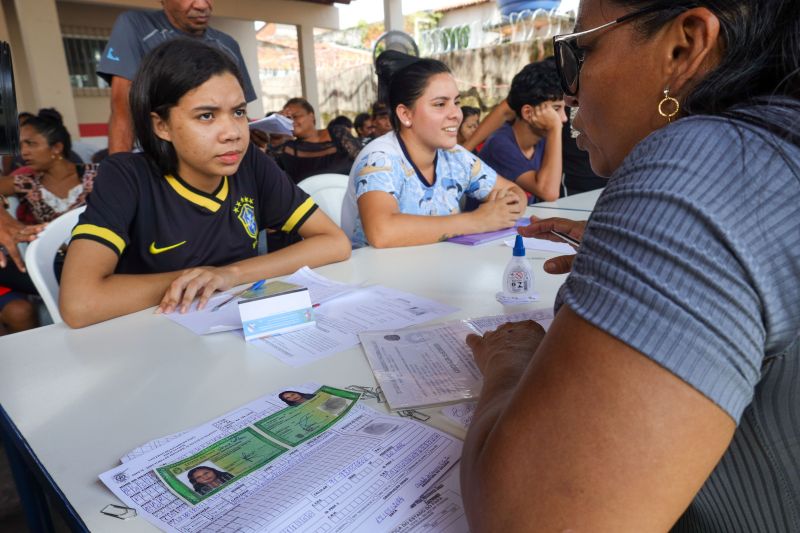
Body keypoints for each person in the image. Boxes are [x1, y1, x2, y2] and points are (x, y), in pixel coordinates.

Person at [461, 1, 800, 531]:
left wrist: (513, 359)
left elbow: (537, 518)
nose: (570, 91)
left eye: (580, 53)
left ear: (683, 47)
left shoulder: (703, 163)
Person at [59, 39, 350, 328]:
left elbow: (334, 243)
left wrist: (228, 275)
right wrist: (195, 280)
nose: (233, 132)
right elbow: (79, 303)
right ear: (161, 125)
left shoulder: (250, 164)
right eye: (207, 116)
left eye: (238, 112)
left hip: (235, 335)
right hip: (154, 342)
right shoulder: (126, 177)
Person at [340, 51, 527, 249]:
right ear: (405, 114)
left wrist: (508, 205)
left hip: (438, 267)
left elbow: (514, 192)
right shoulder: (379, 159)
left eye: (456, 102)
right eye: (440, 104)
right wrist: (477, 220)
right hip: (378, 274)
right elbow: (382, 232)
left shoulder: (455, 156)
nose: (456, 114)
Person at [97, 0, 257, 155]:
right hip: (159, 161)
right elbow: (122, 109)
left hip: (215, 162)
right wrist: (118, 170)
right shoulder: (136, 26)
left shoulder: (228, 45)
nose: (201, 5)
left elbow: (234, 111)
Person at [0, 109, 98, 333]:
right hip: (49, 266)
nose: (23, 152)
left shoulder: (97, 175)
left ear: (56, 148)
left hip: (96, 262)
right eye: (21, 145)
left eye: (31, 144)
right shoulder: (26, 182)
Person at [477, 59, 566, 203]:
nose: (563, 118)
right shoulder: (499, 144)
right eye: (556, 109)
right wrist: (555, 129)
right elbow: (549, 192)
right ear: (528, 112)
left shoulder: (541, 139)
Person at [279, 98, 357, 184]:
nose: (291, 121)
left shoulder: (337, 134)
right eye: (287, 119)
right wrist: (275, 121)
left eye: (296, 116)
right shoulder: (288, 149)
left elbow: (363, 162)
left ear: (311, 116)